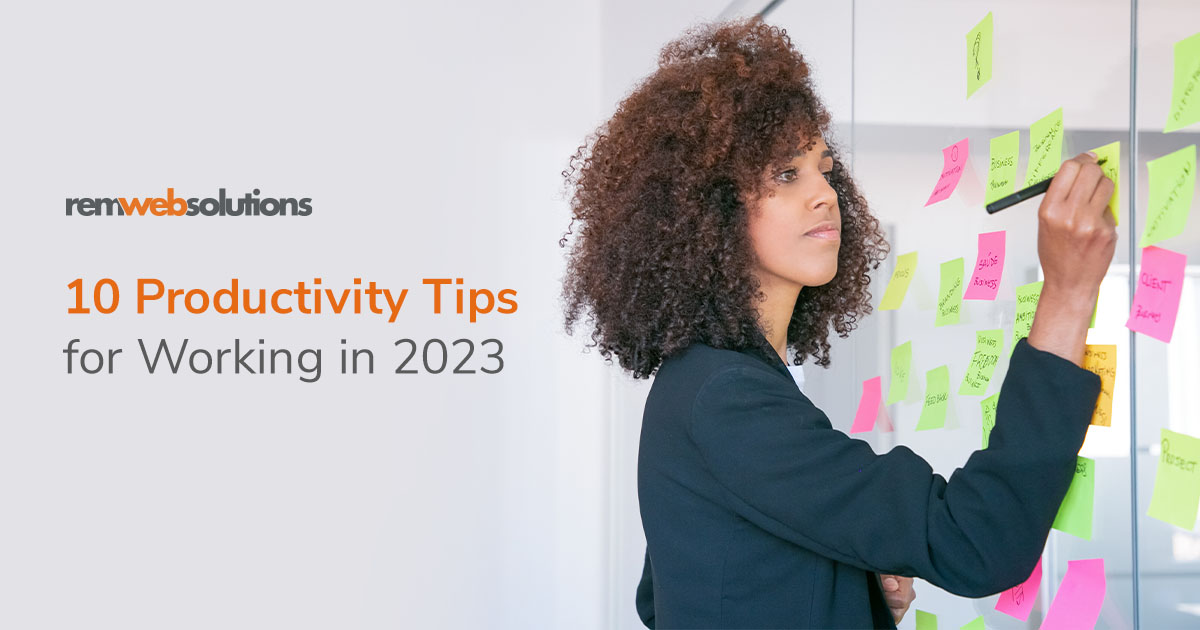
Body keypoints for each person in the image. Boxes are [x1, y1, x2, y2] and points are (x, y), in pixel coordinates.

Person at [558, 16, 1113, 630]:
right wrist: (1067, 292)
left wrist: (849, 593)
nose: (826, 193)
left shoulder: (708, 379)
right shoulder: (725, 395)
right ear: (707, 207)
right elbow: (979, 542)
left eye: (824, 168)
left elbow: (673, 594)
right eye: (785, 174)